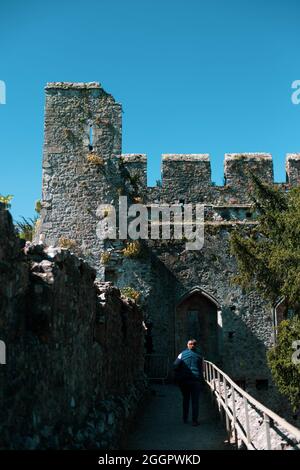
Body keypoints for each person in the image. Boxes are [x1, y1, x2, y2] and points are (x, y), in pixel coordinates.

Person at [173, 339, 203, 426]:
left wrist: (179, 374)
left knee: (186, 399)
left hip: (184, 380)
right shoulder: (199, 356)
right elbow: (202, 369)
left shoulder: (181, 354)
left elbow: (175, 366)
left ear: (188, 345)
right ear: (195, 345)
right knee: (195, 401)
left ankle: (185, 418)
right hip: (195, 381)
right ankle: (194, 421)